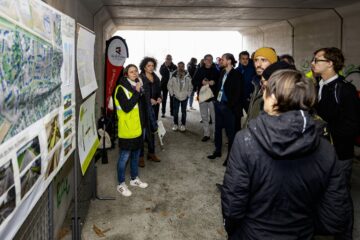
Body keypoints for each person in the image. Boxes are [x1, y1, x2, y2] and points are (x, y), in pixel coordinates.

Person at [222, 69, 351, 239]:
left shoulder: (245, 141)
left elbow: (233, 206)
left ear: (274, 98)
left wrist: (237, 230)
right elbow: (336, 213)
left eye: (265, 89)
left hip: (253, 233)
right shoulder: (325, 147)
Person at [313, 47, 360, 239]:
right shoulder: (318, 85)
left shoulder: (345, 90)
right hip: (320, 153)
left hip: (339, 154)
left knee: (340, 197)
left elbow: (353, 125)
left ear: (331, 63)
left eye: (317, 60)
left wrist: (327, 131)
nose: (313, 63)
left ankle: (345, 234)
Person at [114, 64, 149, 197]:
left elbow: (142, 107)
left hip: (138, 128)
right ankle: (121, 184)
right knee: (124, 158)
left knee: (136, 155)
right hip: (127, 130)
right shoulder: (121, 89)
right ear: (126, 74)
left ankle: (134, 179)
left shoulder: (137, 86)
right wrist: (137, 91)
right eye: (131, 72)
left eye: (136, 71)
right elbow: (127, 107)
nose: (134, 74)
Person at [207, 53, 243, 166]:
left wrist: (229, 106)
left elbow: (238, 93)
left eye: (223, 59)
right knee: (218, 130)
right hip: (219, 105)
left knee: (230, 133)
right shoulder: (222, 72)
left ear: (229, 61)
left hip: (229, 107)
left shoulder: (237, 74)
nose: (221, 61)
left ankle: (230, 157)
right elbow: (219, 87)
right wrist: (216, 100)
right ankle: (217, 151)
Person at [243, 47, 278, 128]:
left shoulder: (278, 86)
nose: (258, 64)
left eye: (263, 60)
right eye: (256, 60)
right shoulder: (256, 83)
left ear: (273, 63)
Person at [138, 57, 162, 167]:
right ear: (144, 67)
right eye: (149, 66)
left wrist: (159, 98)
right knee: (142, 133)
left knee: (152, 130)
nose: (151, 67)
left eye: (152, 65)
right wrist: (149, 100)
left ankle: (151, 153)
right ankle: (140, 156)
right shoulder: (139, 78)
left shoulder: (156, 77)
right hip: (143, 108)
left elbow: (159, 91)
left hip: (154, 108)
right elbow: (138, 94)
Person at [192, 54, 220, 142]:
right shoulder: (199, 70)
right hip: (202, 96)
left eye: (211, 59)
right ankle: (206, 134)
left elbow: (220, 82)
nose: (209, 61)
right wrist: (201, 82)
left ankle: (215, 135)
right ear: (204, 61)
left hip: (213, 97)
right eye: (207, 59)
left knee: (215, 117)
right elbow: (193, 81)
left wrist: (214, 82)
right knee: (204, 116)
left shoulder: (216, 70)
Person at [167, 62, 193, 132]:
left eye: (182, 66)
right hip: (176, 96)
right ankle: (175, 124)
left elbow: (191, 86)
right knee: (175, 112)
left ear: (184, 67)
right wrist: (172, 94)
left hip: (185, 96)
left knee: (183, 112)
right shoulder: (173, 75)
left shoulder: (188, 76)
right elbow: (169, 85)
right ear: (177, 67)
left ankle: (183, 125)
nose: (181, 68)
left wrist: (188, 94)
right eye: (179, 66)